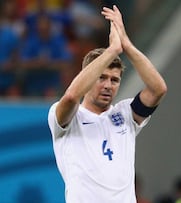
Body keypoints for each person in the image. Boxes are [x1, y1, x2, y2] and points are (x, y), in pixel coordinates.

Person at [47, 5, 167, 203]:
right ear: (89, 76)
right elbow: (70, 97)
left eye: (114, 80)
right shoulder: (67, 118)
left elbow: (158, 89)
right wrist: (112, 51)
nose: (108, 85)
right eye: (101, 78)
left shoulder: (126, 114)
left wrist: (126, 45)